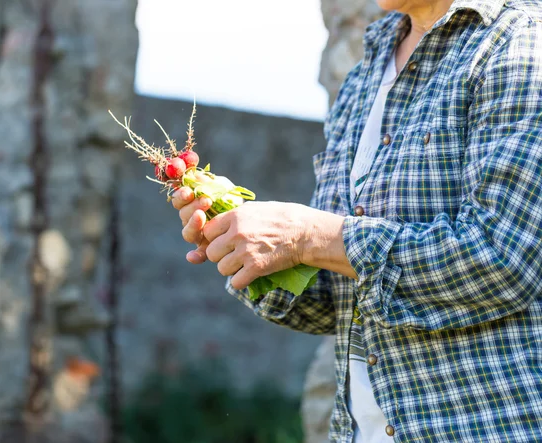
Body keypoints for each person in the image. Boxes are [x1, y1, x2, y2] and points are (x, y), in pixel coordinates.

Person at [172, 0, 542, 441]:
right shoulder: (367, 70)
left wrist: (309, 236)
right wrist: (250, 247)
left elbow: (502, 259)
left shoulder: (521, 46)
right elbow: (336, 303)